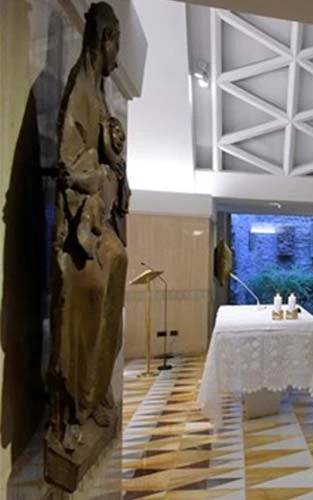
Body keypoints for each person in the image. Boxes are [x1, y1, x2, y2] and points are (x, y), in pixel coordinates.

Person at [49, 2, 129, 451]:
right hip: (81, 211)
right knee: (91, 288)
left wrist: (114, 161)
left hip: (100, 208)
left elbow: (104, 157)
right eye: (116, 41)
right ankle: (78, 398)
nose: (118, 53)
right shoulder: (80, 88)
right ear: (103, 39)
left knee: (117, 263)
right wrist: (99, 177)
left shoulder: (99, 93)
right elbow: (68, 163)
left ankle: (97, 389)